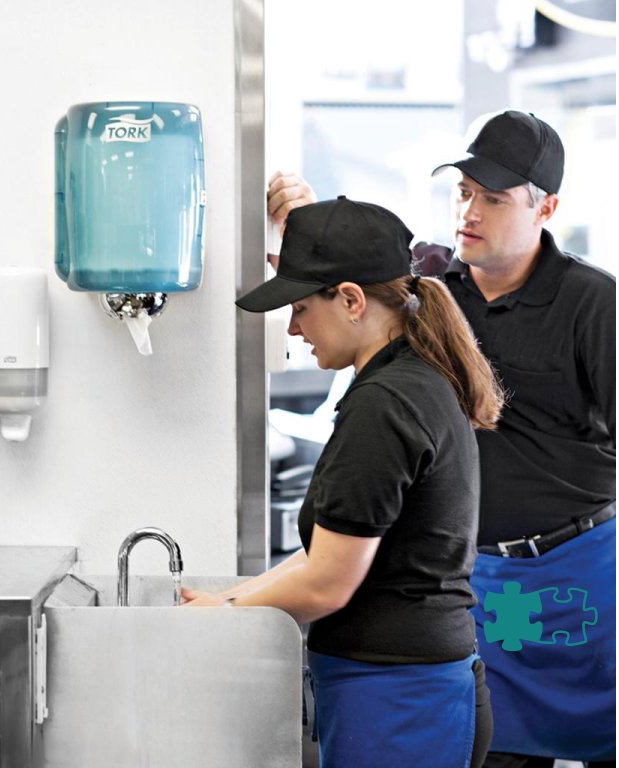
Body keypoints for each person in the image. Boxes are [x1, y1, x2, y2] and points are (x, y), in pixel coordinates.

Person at [266, 110, 616, 767]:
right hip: (479, 586)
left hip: (581, 575)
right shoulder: (431, 291)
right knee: (497, 749)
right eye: (463, 192)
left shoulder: (596, 303)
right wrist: (305, 222)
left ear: (547, 208)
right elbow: (354, 275)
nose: (470, 212)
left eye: (493, 198)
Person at [183, 195, 504, 768]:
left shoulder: (386, 403)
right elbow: (324, 555)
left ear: (351, 300)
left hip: (402, 698)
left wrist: (225, 612)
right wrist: (231, 599)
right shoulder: (405, 381)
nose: (293, 327)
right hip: (398, 687)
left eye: (302, 308)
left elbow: (327, 584)